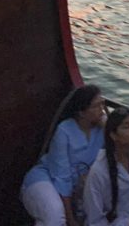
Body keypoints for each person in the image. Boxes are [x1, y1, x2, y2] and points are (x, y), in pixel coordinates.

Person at [21, 85, 107, 226]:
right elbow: (62, 177)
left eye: (102, 104)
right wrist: (70, 219)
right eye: (96, 106)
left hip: (77, 187)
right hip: (46, 180)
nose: (102, 110)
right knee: (55, 217)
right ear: (82, 112)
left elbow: (124, 143)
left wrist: (107, 125)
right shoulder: (65, 130)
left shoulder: (101, 130)